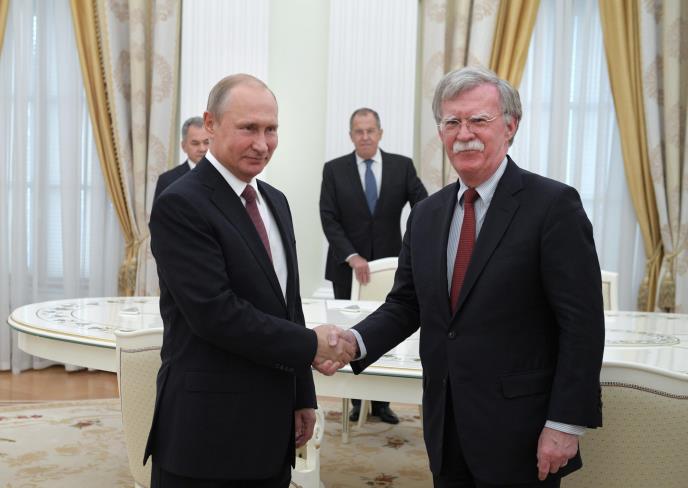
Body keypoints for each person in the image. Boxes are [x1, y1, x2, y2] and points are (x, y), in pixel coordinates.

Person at [342, 66, 605, 487]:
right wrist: (353, 342)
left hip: (522, 432)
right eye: (452, 122)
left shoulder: (553, 206)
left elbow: (582, 325)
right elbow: (406, 304)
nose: (464, 134)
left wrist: (565, 423)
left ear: (510, 126)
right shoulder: (426, 215)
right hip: (446, 427)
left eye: (478, 120)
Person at [146, 74, 355, 488]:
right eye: (248, 128)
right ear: (210, 123)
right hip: (206, 433)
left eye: (271, 129)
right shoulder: (180, 203)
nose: (262, 144)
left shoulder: (275, 201)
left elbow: (288, 306)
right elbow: (215, 314)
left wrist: (302, 395)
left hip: (271, 426)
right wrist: (311, 344)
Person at [319, 107, 428, 424]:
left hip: (391, 267)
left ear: (380, 133)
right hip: (346, 268)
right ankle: (356, 401)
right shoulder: (334, 170)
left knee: (384, 328)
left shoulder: (401, 166)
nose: (365, 136)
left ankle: (381, 404)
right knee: (347, 333)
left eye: (370, 130)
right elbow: (329, 217)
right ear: (351, 135)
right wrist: (351, 255)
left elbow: (424, 206)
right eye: (359, 131)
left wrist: (411, 249)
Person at [153, 116, 210, 201]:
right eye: (195, 143)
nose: (202, 149)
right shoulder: (167, 180)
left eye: (206, 142)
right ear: (184, 146)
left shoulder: (222, 175)